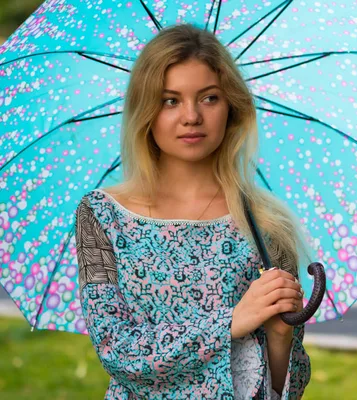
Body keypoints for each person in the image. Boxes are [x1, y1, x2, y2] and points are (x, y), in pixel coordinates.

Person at [74, 23, 312, 399]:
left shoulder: (265, 223)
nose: (191, 117)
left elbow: (289, 387)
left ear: (231, 105)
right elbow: (117, 351)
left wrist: (281, 336)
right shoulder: (103, 215)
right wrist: (230, 323)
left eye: (209, 98)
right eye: (170, 100)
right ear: (146, 111)